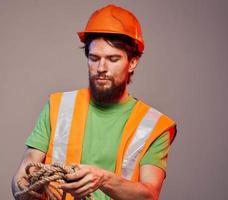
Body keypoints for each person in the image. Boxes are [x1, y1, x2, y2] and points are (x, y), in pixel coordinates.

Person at [12, 4, 177, 200]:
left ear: (132, 62)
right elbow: (23, 174)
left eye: (113, 59)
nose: (101, 67)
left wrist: (103, 179)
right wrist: (27, 192)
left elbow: (149, 195)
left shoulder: (154, 126)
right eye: (94, 58)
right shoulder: (58, 106)